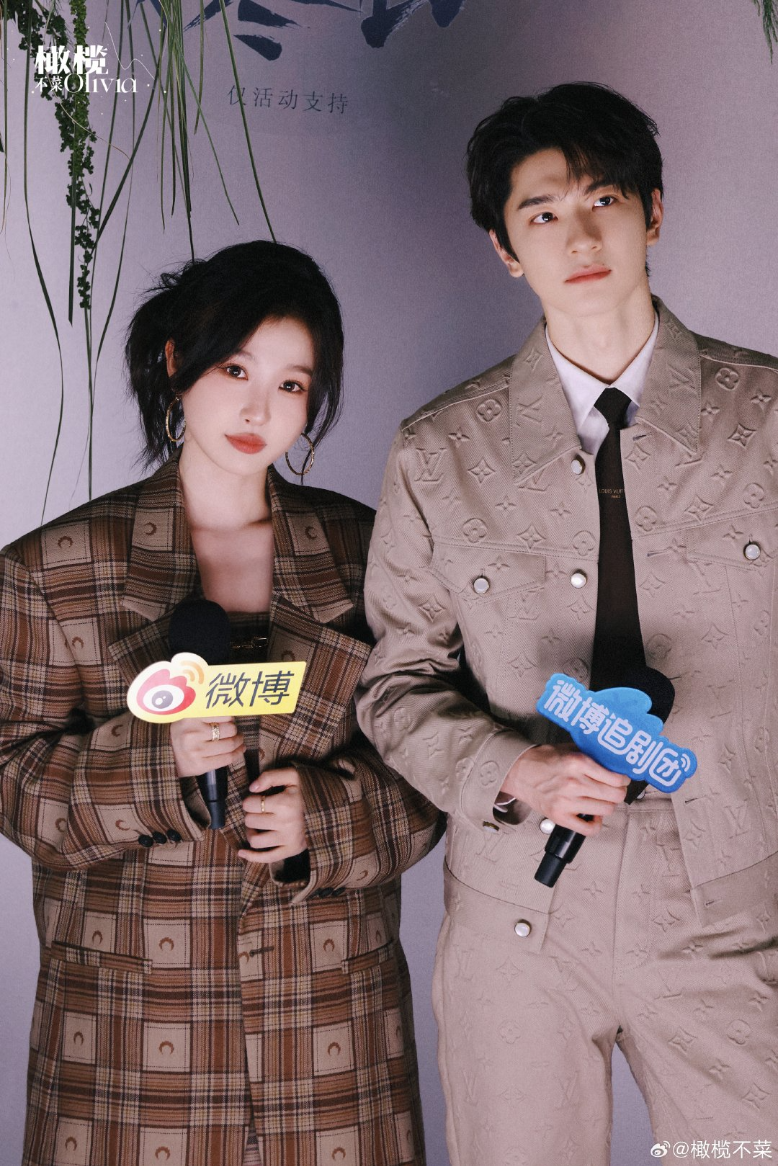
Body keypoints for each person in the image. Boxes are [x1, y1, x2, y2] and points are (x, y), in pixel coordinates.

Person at [357, 83, 778, 1163]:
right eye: (541, 212)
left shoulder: (767, 416)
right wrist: (513, 767)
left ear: (653, 211)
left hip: (736, 902)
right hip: (520, 912)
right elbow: (395, 683)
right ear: (505, 248)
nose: (579, 236)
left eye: (603, 199)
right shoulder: (438, 451)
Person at [0, 240, 443, 1166]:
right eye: (236, 369)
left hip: (330, 1028)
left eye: (291, 384)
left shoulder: (371, 553)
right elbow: (12, 781)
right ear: (176, 361)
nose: (257, 409)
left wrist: (329, 814)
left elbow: (439, 756)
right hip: (130, 1034)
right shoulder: (54, 569)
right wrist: (154, 762)